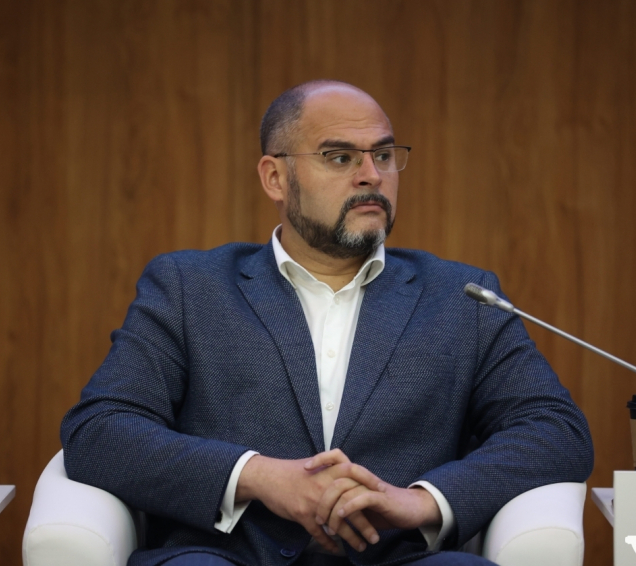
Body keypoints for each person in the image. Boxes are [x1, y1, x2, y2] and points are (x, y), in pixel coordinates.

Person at [61, 80, 593, 566]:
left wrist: (422, 501)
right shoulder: (189, 287)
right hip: (227, 556)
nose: (371, 175)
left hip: (396, 558)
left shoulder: (462, 297)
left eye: (383, 155)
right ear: (275, 177)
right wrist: (258, 476)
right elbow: (100, 429)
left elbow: (556, 430)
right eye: (340, 157)